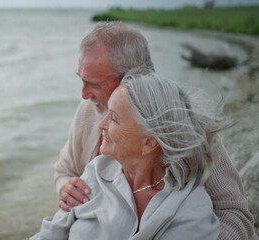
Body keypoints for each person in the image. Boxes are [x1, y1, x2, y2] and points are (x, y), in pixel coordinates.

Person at [54, 22, 257, 239]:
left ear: (132, 79)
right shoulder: (88, 110)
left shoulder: (186, 124)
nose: (84, 94)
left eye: (93, 84)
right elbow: (65, 170)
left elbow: (234, 213)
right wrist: (67, 188)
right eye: (82, 80)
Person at [32, 70, 221, 239]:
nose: (101, 124)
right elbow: (50, 233)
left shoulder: (191, 211)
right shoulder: (97, 171)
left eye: (113, 118)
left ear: (148, 143)